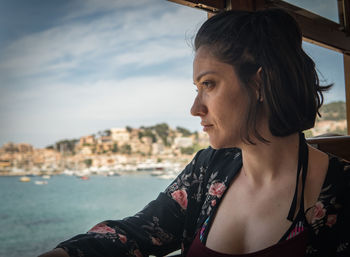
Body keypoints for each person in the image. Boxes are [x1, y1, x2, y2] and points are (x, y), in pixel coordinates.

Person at [39, 8, 350, 257]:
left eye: (208, 84)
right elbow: (138, 232)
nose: (195, 107)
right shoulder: (207, 169)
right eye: (197, 88)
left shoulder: (343, 193)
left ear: (259, 82)